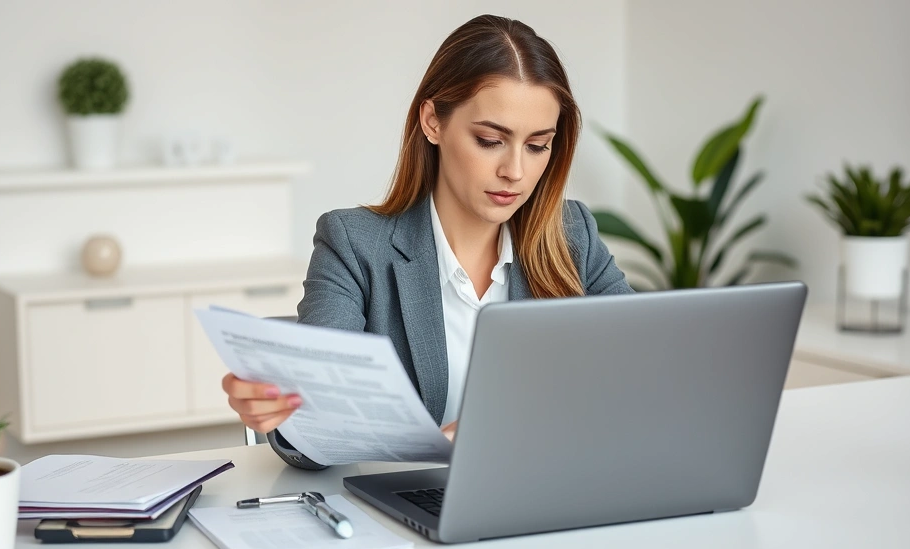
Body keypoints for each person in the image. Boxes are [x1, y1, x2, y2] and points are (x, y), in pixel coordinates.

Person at [222, 14, 633, 470]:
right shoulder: (354, 245)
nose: (515, 171)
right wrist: (280, 412)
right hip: (409, 506)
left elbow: (642, 370)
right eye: (490, 140)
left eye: (537, 146)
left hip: (553, 494)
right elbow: (323, 419)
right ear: (433, 121)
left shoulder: (573, 236)